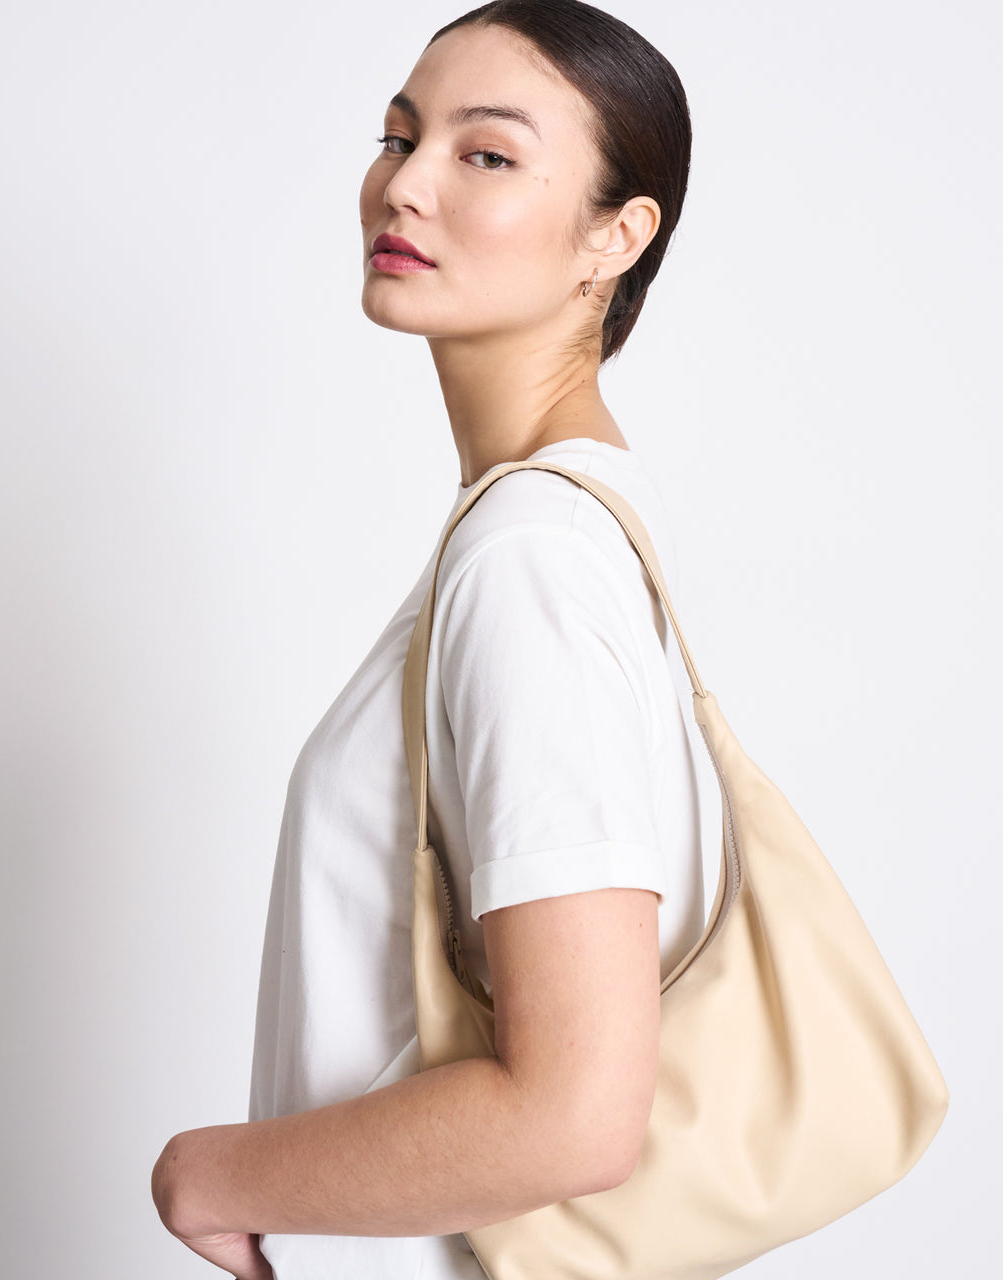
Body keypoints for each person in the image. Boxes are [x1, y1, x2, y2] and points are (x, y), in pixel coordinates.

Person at [152, 3, 706, 1277]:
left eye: (487, 153)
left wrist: (209, 1173)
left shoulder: (531, 558)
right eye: (399, 137)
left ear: (616, 236)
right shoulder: (564, 526)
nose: (404, 184)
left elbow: (576, 1112)